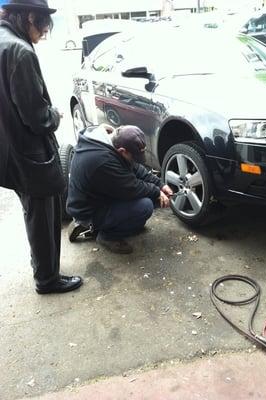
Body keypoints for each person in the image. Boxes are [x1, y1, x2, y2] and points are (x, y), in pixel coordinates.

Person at [0, 0, 83, 294]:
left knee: (33, 213)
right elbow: (36, 117)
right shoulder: (19, 51)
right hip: (28, 152)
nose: (46, 32)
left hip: (10, 149)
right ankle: (47, 279)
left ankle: (42, 269)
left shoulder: (3, 41)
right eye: (45, 24)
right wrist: (55, 116)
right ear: (30, 17)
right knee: (43, 217)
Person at [67, 124, 173, 254]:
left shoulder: (109, 142)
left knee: (149, 203)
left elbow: (136, 168)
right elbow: (132, 187)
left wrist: (161, 184)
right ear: (122, 151)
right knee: (145, 206)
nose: (135, 160)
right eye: (133, 157)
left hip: (96, 197)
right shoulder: (102, 161)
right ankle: (105, 235)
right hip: (88, 210)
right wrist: (157, 192)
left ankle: (92, 225)